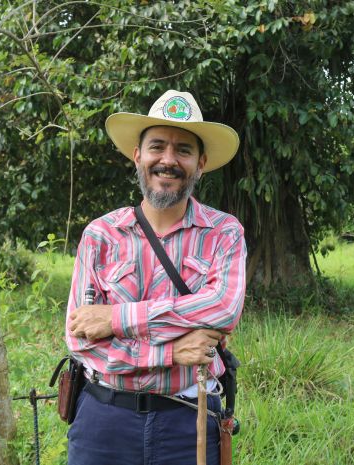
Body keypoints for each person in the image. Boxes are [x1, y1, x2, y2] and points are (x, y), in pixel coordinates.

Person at [65, 90, 246, 465]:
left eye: (183, 150)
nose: (168, 160)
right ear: (138, 155)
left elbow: (223, 309)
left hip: (190, 420)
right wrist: (169, 351)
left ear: (200, 163)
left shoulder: (224, 233)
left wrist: (115, 318)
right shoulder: (100, 235)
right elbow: (80, 341)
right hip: (104, 420)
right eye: (157, 146)